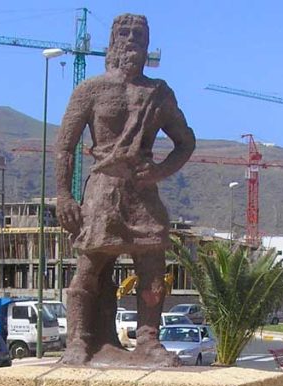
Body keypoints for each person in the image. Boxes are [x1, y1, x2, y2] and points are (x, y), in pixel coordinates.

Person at [54, 13, 195, 367]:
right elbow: (64, 147)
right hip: (103, 190)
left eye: (139, 33)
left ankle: (148, 340)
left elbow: (185, 142)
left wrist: (159, 171)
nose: (131, 38)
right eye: (124, 32)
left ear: (147, 43)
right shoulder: (91, 90)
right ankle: (79, 341)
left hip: (142, 193)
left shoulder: (158, 94)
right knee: (89, 266)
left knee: (152, 265)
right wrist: (64, 195)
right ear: (113, 40)